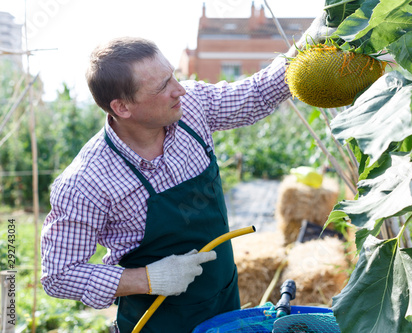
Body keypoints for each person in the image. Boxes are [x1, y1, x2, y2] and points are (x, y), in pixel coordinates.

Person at [40, 13, 333, 333]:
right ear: (123, 107)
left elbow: (256, 94)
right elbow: (59, 275)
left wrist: (311, 42)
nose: (180, 89)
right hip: (158, 321)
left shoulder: (190, 109)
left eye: (173, 76)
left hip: (223, 304)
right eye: (163, 86)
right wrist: (148, 279)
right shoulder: (87, 182)